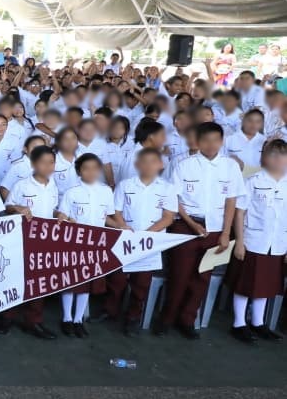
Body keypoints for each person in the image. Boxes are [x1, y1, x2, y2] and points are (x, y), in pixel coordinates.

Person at [158, 122, 242, 339]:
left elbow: (231, 201)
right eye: (206, 140)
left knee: (202, 278)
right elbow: (173, 198)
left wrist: (225, 233)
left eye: (216, 140)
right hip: (186, 226)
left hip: (215, 229)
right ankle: (167, 318)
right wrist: (191, 223)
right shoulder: (184, 165)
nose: (211, 144)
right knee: (179, 275)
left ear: (222, 142)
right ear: (198, 141)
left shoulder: (230, 167)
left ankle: (187, 320)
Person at [109, 148, 178, 335]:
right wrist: (123, 227)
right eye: (144, 162)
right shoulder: (125, 185)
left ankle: (133, 317)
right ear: (137, 164)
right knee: (117, 278)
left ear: (161, 165)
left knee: (141, 283)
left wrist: (146, 234)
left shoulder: (167, 188)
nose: (148, 166)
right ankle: (111, 311)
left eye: (153, 161)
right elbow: (116, 210)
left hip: (150, 242)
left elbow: (168, 217)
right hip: (126, 239)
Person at [228, 139, 287, 343]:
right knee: (245, 284)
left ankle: (258, 322)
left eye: (282, 155)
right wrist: (240, 242)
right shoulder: (253, 181)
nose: (278, 159)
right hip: (253, 239)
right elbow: (240, 212)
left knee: (266, 285)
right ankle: (238, 323)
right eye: (273, 154)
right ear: (265, 157)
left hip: (278, 243)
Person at [54, 153, 116, 337]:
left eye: (95, 168)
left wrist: (122, 227)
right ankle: (66, 318)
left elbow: (107, 218)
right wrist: (64, 218)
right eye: (85, 168)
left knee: (87, 283)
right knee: (70, 281)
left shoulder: (106, 191)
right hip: (74, 242)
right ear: (79, 171)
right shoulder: (72, 192)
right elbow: (61, 216)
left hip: (95, 244)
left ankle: (78, 319)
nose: (90, 172)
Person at [3, 145, 60, 339]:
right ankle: (7, 317)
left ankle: (33, 321)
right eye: (43, 162)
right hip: (22, 240)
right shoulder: (22, 185)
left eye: (51, 162)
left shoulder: (54, 186)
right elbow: (8, 206)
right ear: (34, 163)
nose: (48, 166)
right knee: (15, 278)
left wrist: (59, 214)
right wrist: (18, 208)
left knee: (39, 281)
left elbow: (51, 210)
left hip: (45, 242)